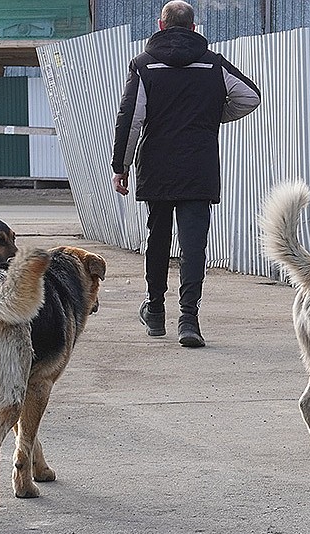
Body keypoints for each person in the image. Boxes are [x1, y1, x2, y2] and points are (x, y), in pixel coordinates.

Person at [111, 0, 261, 348]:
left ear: (161, 26)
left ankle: (156, 313)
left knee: (157, 238)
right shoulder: (213, 63)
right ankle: (189, 320)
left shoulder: (145, 65)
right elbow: (250, 97)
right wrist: (212, 116)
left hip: (158, 166)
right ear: (195, 28)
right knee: (194, 244)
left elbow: (131, 118)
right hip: (199, 165)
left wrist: (121, 166)